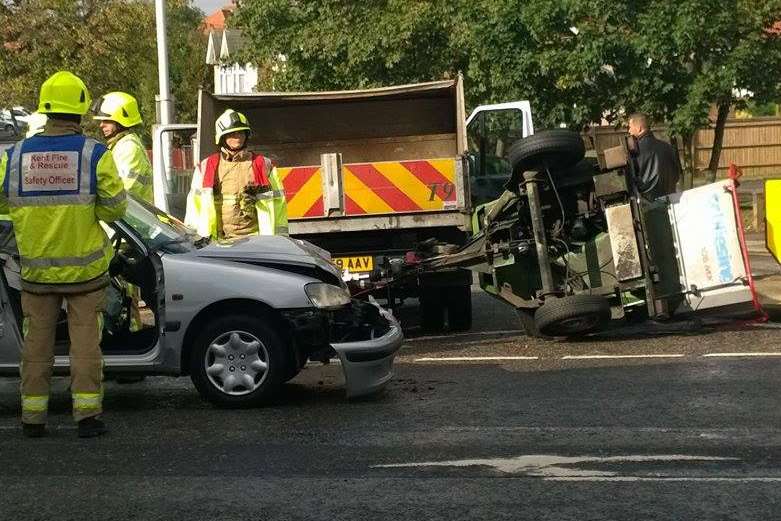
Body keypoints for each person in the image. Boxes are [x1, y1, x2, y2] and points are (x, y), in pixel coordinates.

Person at [0, 71, 127, 438]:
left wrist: (25, 218)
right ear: (81, 109)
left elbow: (3, 204)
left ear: (46, 109)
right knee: (85, 345)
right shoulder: (94, 153)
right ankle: (87, 418)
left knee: (36, 346)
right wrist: (89, 215)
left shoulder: (15, 155)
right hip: (85, 273)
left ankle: (33, 419)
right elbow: (115, 208)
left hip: (36, 274)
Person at [185, 109, 288, 239]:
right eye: (232, 133)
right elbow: (194, 207)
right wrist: (193, 240)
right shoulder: (206, 167)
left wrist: (279, 241)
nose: (237, 137)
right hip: (216, 243)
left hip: (256, 242)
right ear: (222, 137)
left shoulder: (262, 165)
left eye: (241, 133)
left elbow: (278, 206)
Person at [92, 92, 154, 203]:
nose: (101, 125)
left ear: (121, 121)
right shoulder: (120, 145)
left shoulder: (129, 148)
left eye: (107, 121)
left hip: (131, 217)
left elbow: (122, 193)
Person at [627, 112, 680, 199]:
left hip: (649, 204)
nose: (629, 131)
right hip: (672, 199)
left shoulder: (634, 153)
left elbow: (632, 182)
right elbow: (676, 175)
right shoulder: (667, 147)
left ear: (639, 128)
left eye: (630, 127)